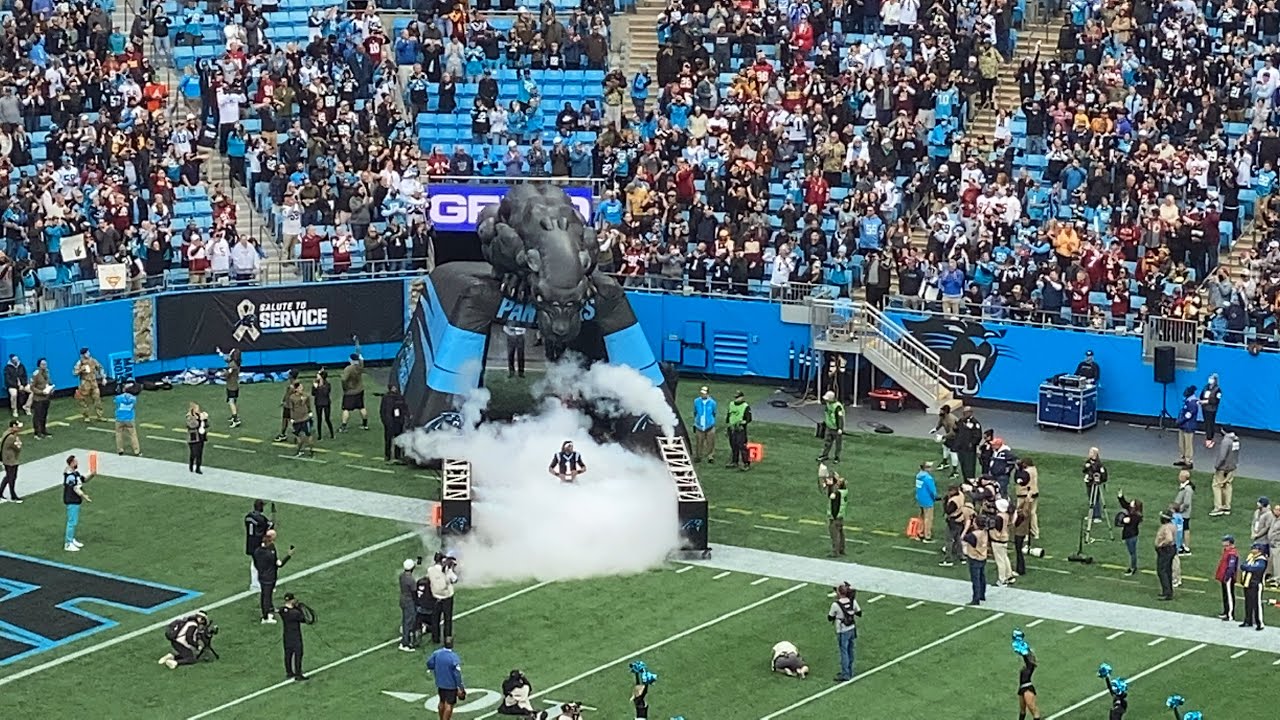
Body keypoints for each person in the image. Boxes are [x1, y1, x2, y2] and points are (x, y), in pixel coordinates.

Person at [253, 529, 293, 623]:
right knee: (267, 596)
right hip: (269, 577)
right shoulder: (269, 554)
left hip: (262, 576)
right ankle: (266, 617)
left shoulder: (257, 551)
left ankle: (269, 609)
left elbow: (256, 564)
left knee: (265, 595)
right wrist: (288, 556)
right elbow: (279, 564)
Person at [826, 582, 861, 681]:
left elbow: (830, 617)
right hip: (852, 628)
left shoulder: (835, 605)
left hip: (842, 629)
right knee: (851, 649)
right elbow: (859, 612)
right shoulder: (852, 602)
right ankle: (850, 670)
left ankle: (845, 674)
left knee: (844, 651)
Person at [426, 638, 466, 720]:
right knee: (449, 704)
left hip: (440, 683)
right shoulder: (453, 657)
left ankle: (441, 718)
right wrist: (460, 687)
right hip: (450, 685)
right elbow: (457, 674)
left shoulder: (437, 653)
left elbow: (429, 663)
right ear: (452, 644)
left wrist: (436, 668)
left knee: (441, 702)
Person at [62, 455, 93, 552]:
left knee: (73, 522)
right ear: (71, 463)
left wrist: (91, 474)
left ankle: (71, 539)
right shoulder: (70, 476)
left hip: (75, 500)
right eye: (75, 461)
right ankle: (68, 543)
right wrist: (85, 496)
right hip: (72, 500)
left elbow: (82, 479)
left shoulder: (74, 473)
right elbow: (75, 488)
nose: (77, 463)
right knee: (72, 522)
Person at [278, 592, 312, 679]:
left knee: (288, 654)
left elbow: (282, 610)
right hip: (295, 636)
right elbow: (304, 619)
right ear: (292, 600)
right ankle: (298, 674)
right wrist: (299, 608)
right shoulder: (295, 613)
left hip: (286, 636)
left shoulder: (282, 611)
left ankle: (289, 672)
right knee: (298, 654)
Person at [427, 553, 458, 644]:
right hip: (447, 597)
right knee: (447, 619)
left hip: (435, 597)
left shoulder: (430, 570)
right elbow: (455, 579)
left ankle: (435, 638)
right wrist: (451, 569)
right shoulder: (446, 571)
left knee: (435, 618)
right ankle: (447, 638)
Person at [1208, 427, 1240, 517]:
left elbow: (1222, 456)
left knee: (1216, 486)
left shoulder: (1226, 441)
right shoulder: (1236, 440)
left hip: (1223, 468)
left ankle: (1218, 507)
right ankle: (1227, 507)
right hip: (1232, 467)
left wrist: (1217, 466)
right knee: (1228, 485)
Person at [1012, 631, 1042, 720]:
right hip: (1022, 688)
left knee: (1032, 708)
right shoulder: (1026, 666)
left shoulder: (1030, 665)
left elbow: (1027, 655)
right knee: (1022, 710)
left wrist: (1024, 649)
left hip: (1027, 688)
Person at [962, 513, 989, 605]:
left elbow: (963, 537)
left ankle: (976, 598)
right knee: (982, 577)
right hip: (983, 556)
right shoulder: (985, 531)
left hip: (975, 557)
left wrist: (967, 526)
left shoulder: (974, 535)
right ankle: (982, 594)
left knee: (976, 579)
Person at [245, 499, 272, 591]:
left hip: (249, 542)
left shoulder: (248, 516)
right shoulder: (261, 519)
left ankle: (254, 583)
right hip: (258, 543)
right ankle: (258, 584)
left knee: (254, 562)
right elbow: (269, 527)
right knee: (260, 564)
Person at [1239, 542, 1267, 630]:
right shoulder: (1251, 557)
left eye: (1254, 548)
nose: (1252, 550)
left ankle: (1260, 623)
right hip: (1248, 583)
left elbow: (1255, 569)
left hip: (1256, 584)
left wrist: (1247, 567)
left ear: (1259, 550)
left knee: (1257, 604)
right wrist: (1247, 567)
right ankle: (1248, 620)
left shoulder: (1261, 560)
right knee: (1248, 603)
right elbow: (1243, 565)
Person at [939, 485, 969, 567]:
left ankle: (948, 559)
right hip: (960, 519)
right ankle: (961, 556)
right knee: (958, 539)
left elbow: (948, 511)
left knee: (949, 540)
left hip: (953, 521)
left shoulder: (953, 501)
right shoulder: (961, 495)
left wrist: (945, 502)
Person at [72, 348, 105, 422]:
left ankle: (100, 415)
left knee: (97, 399)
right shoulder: (80, 362)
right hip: (85, 383)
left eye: (88, 352)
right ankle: (86, 416)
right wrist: (81, 369)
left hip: (94, 382)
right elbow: (74, 373)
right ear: (83, 354)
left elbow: (100, 368)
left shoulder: (93, 360)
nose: (88, 354)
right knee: (84, 400)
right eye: (86, 353)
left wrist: (103, 377)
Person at [340, 351, 369, 432]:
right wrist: (361, 359)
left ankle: (343, 426)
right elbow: (361, 363)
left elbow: (344, 379)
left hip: (350, 392)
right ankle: (365, 425)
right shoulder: (360, 367)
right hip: (359, 390)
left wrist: (345, 388)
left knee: (346, 409)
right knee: (362, 407)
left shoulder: (348, 369)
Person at [1014, 458, 1041, 544]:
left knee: (1022, 514)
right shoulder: (1034, 469)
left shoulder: (1026, 472)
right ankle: (1035, 532)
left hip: (1025, 494)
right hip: (1034, 492)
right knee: (1033, 513)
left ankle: (1024, 534)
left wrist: (1017, 470)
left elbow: (1020, 480)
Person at [381, 384, 411, 462]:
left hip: (398, 422)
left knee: (398, 439)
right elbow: (383, 410)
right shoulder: (386, 398)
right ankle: (388, 456)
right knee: (388, 440)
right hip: (389, 422)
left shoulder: (400, 397)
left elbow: (404, 407)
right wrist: (385, 421)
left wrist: (407, 415)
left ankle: (397, 456)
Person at [1117, 492, 1144, 576]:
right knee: (1132, 552)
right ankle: (1133, 567)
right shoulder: (1133, 512)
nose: (1131, 502)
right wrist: (1121, 497)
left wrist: (1122, 519)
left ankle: (1133, 568)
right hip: (1130, 535)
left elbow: (1125, 521)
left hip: (1131, 536)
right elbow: (1125, 504)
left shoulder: (1135, 516)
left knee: (1132, 553)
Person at [990, 498, 1015, 586]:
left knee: (1000, 560)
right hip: (1005, 538)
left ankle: (1002, 579)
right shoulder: (1007, 515)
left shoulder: (999, 517)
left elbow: (997, 530)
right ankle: (1009, 576)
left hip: (998, 540)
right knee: (1005, 557)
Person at [725, 391, 752, 470]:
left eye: (738, 397)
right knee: (733, 445)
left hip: (740, 429)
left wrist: (742, 423)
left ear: (742, 397)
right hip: (732, 428)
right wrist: (727, 426)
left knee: (742, 446)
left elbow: (749, 419)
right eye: (735, 397)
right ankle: (734, 461)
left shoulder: (745, 406)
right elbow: (728, 415)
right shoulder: (731, 404)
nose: (736, 399)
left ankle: (746, 463)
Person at [286, 382, 315, 457]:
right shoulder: (292, 397)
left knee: (308, 435)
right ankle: (300, 450)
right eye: (299, 388)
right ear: (296, 389)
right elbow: (291, 409)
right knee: (298, 436)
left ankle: (310, 451)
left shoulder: (305, 396)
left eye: (301, 387)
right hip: (297, 419)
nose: (301, 389)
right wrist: (292, 418)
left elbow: (308, 405)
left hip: (305, 418)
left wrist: (310, 412)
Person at [953, 407, 983, 481]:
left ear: (970, 412)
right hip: (961, 448)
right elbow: (958, 431)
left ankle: (971, 481)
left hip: (969, 450)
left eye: (966, 412)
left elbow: (978, 436)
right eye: (963, 412)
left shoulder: (975, 423)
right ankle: (965, 481)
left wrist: (972, 443)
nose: (964, 414)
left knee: (969, 466)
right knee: (963, 465)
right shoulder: (961, 421)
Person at [1216, 535, 1240, 622]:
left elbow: (1231, 566)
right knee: (1225, 595)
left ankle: (1230, 614)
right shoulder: (1227, 551)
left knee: (1229, 595)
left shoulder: (1232, 553)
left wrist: (1227, 577)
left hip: (1228, 577)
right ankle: (1226, 611)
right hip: (1224, 577)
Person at [824, 471, 848, 557]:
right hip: (841, 516)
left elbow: (831, 497)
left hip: (835, 517)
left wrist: (829, 485)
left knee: (835, 535)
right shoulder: (844, 492)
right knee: (841, 534)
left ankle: (835, 552)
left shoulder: (836, 494)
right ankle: (842, 549)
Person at [1154, 511, 1177, 600]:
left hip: (1165, 550)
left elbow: (1169, 539)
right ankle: (1168, 591)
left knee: (1162, 571)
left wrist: (1161, 544)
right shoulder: (1172, 526)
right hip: (1171, 549)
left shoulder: (1166, 527)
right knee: (1167, 570)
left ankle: (1166, 592)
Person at [817, 390, 845, 463]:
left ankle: (837, 457)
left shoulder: (838, 407)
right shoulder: (828, 404)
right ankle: (824, 455)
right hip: (829, 427)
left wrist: (840, 428)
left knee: (838, 444)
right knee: (827, 442)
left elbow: (840, 418)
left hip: (836, 428)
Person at [1175, 386, 1199, 469]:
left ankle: (1189, 461)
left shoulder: (1192, 403)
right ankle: (1183, 459)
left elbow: (1188, 415)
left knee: (1188, 445)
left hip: (1188, 426)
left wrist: (1179, 421)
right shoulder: (1187, 401)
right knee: (1182, 444)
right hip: (1183, 426)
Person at [29, 358, 53, 438]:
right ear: (39, 365)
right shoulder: (36, 374)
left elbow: (49, 382)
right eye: (43, 364)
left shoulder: (47, 372)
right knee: (37, 415)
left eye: (45, 364)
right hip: (38, 398)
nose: (45, 366)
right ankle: (37, 432)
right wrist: (40, 392)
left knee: (44, 415)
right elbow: (32, 387)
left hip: (46, 398)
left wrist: (51, 388)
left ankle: (43, 430)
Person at [1083, 447, 1108, 523]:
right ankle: (1091, 515)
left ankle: (1097, 516)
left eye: (1090, 452)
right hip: (1089, 484)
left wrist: (1098, 480)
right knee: (1091, 499)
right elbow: (1084, 470)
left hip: (1096, 484)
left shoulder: (1099, 464)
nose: (1089, 454)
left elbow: (1103, 475)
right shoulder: (1088, 462)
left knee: (1095, 499)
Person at [692, 386, 717, 463]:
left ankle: (710, 456)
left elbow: (714, 413)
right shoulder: (696, 401)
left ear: (708, 394)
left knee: (710, 441)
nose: (703, 395)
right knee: (699, 441)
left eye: (704, 393)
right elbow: (695, 412)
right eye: (702, 393)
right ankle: (698, 456)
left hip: (710, 425)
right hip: (699, 425)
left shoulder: (713, 403)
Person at [1172, 471, 1195, 554]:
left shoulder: (1188, 489)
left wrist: (1178, 509)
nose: (1179, 477)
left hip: (1183, 514)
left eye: (1180, 476)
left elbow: (1186, 503)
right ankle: (1182, 545)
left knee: (1184, 529)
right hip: (1181, 513)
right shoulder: (1184, 487)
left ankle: (1185, 546)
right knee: (1183, 529)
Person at [399, 558, 420, 651]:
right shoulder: (411, 580)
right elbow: (414, 592)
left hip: (403, 599)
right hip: (409, 601)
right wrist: (417, 602)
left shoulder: (402, 576)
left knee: (405, 620)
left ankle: (406, 638)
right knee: (409, 621)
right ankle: (405, 643)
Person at [914, 462, 938, 542]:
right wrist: (935, 497)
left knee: (921, 517)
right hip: (928, 500)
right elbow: (932, 490)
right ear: (926, 468)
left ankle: (919, 533)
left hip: (920, 498)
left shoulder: (918, 476)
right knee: (928, 518)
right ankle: (927, 536)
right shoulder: (928, 478)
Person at [114, 385, 141, 456]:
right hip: (129, 419)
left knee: (118, 434)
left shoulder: (119, 397)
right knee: (133, 435)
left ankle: (120, 450)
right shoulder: (134, 399)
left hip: (119, 418)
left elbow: (116, 402)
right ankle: (136, 451)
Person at [274, 369, 300, 442]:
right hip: (295, 406)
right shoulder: (298, 384)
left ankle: (283, 435)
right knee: (295, 421)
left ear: (291, 376)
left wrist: (283, 401)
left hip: (289, 406)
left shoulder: (291, 386)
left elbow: (287, 395)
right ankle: (297, 435)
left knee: (285, 421)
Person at [219, 348, 243, 427]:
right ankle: (234, 416)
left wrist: (220, 374)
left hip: (231, 387)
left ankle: (236, 420)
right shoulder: (236, 362)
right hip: (235, 386)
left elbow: (227, 373)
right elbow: (227, 359)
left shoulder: (232, 364)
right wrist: (221, 353)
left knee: (231, 402)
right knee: (234, 402)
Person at [933, 404, 959, 475]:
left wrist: (943, 437)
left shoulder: (951, 420)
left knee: (953, 452)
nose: (940, 412)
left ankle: (955, 471)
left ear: (945, 412)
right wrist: (935, 429)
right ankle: (945, 463)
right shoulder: (942, 417)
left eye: (941, 411)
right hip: (950, 436)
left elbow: (953, 433)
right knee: (945, 446)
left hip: (957, 437)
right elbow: (940, 423)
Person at [0, 420, 22, 503]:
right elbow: (17, 448)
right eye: (17, 426)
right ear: (13, 426)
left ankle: (1, 493)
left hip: (7, 459)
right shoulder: (12, 437)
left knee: (8, 477)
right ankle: (13, 495)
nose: (19, 428)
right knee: (11, 477)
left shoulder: (6, 433)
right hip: (10, 460)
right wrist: (19, 443)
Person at [1198, 374, 1222, 443]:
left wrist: (1207, 401)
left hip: (1212, 409)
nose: (1210, 380)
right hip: (1204, 408)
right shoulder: (1206, 387)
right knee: (1206, 423)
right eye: (1209, 378)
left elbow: (1216, 401)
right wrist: (1201, 401)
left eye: (1212, 379)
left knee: (1210, 423)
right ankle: (1208, 436)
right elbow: (1202, 395)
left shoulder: (1218, 390)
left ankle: (1210, 438)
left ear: (1215, 380)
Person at [186, 402, 209, 473]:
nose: (198, 410)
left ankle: (198, 468)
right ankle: (191, 465)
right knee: (193, 453)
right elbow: (192, 425)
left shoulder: (199, 415)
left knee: (199, 453)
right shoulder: (189, 417)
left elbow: (206, 425)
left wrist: (205, 420)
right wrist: (200, 419)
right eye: (197, 408)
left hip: (200, 437)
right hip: (193, 438)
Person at [312, 370, 334, 440]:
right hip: (319, 403)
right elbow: (313, 393)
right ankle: (319, 435)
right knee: (319, 419)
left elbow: (325, 393)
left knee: (327, 419)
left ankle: (332, 433)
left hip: (325, 403)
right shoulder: (316, 384)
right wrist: (315, 387)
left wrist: (318, 387)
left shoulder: (327, 384)